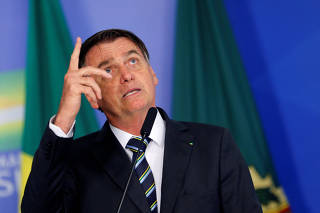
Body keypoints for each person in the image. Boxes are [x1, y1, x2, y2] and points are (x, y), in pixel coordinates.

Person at [21, 29, 262, 213]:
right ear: (93, 97)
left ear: (152, 74)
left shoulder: (214, 144)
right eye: (108, 70)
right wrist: (64, 118)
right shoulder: (75, 161)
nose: (126, 75)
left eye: (133, 61)